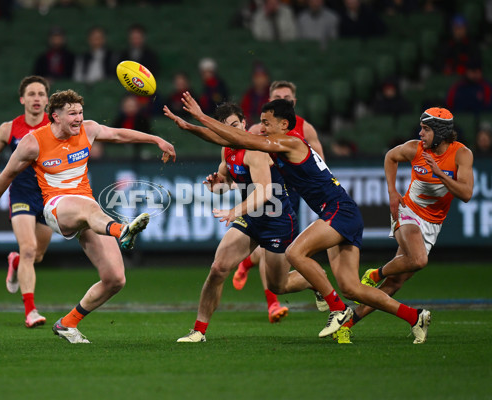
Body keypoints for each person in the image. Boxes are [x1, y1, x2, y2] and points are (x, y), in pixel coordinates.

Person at [178, 92, 432, 344]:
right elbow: (229, 141)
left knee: (295, 253)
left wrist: (200, 117)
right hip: (339, 212)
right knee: (351, 288)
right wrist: (191, 126)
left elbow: (240, 141)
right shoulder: (273, 146)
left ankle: (337, 309)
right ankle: (414, 316)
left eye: (266, 123)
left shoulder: (290, 142)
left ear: (283, 125)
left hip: (339, 210)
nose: (262, 127)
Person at [0, 89, 176, 343]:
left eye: (81, 112)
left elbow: (118, 134)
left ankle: (68, 323)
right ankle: (122, 230)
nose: (79, 118)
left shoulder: (88, 129)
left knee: (115, 279)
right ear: (55, 117)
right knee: (89, 208)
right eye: (72, 113)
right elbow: (6, 175)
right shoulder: (33, 142)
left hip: (88, 212)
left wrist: (156, 139)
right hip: (56, 207)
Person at [164, 102, 319, 342]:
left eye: (235, 125)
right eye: (226, 128)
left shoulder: (255, 150)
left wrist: (234, 212)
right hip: (252, 219)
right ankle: (199, 331)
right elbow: (224, 183)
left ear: (244, 124)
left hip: (278, 221)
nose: (232, 131)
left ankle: (315, 280)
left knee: (279, 286)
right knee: (218, 269)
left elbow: (264, 193)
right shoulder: (227, 150)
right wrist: (217, 185)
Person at [335, 108, 474, 343]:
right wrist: (392, 192)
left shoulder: (462, 154)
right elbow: (390, 156)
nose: (420, 133)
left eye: (426, 129)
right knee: (419, 260)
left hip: (432, 224)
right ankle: (376, 273)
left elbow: (466, 194)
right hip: (407, 211)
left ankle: (346, 324)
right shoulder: (414, 148)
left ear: (440, 133)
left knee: (394, 283)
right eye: (421, 128)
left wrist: (440, 173)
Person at [234, 80, 326, 297]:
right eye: (277, 98)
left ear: (294, 101)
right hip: (269, 194)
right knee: (271, 246)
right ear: (269, 101)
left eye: (286, 98)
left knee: (281, 248)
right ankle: (273, 302)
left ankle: (249, 263)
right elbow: (243, 158)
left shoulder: (306, 129)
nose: (282, 101)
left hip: (293, 194)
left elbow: (320, 163)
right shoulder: (258, 129)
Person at [0, 76, 53, 328]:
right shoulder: (9, 128)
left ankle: (14, 262)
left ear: (47, 100)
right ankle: (30, 311)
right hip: (21, 194)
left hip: (47, 197)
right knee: (28, 249)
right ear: (22, 99)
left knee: (38, 255)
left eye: (41, 94)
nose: (36, 98)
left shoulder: (55, 126)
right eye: (31, 94)